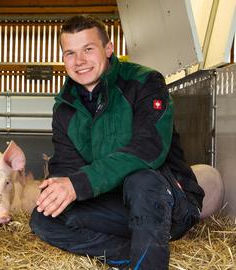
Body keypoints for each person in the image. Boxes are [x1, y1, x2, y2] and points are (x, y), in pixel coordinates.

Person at [30, 15, 205, 270]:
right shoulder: (65, 107)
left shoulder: (144, 82)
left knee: (141, 179)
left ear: (108, 48)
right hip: (115, 206)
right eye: (70, 53)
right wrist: (59, 190)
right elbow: (68, 168)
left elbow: (149, 149)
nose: (79, 61)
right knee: (44, 219)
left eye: (88, 49)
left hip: (168, 203)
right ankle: (132, 257)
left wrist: (79, 183)